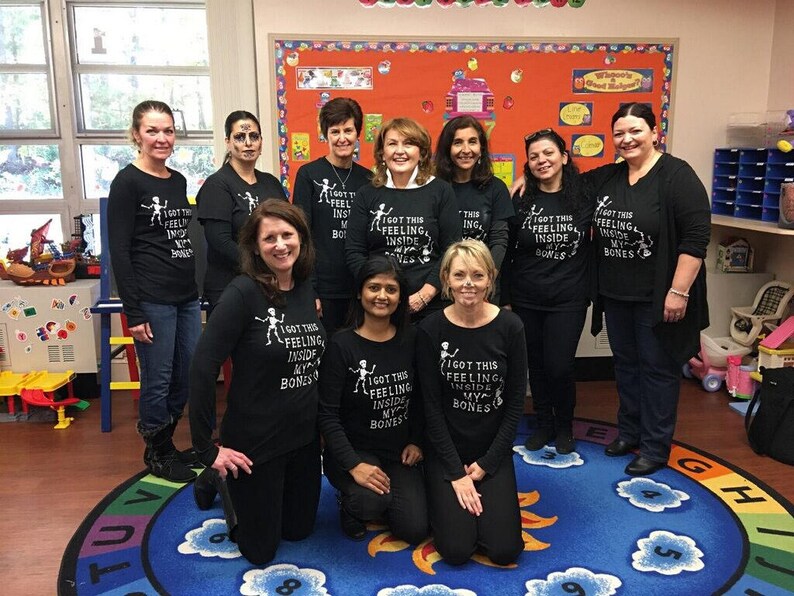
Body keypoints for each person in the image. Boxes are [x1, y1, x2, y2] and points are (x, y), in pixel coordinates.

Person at [189, 199, 326, 564]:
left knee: (299, 532)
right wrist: (206, 448)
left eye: (287, 234)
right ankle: (217, 478)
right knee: (260, 551)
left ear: (302, 239)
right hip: (254, 445)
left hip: (303, 440)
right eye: (269, 238)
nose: (280, 245)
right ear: (254, 246)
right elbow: (203, 366)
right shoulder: (242, 293)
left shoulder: (305, 287)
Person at [591, 102, 710, 476]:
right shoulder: (609, 177)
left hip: (659, 297)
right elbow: (565, 182)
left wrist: (678, 292)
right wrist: (523, 180)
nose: (627, 139)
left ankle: (656, 447)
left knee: (658, 369)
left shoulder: (676, 176)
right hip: (616, 294)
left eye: (635, 131)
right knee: (626, 366)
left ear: (654, 132)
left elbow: (696, 238)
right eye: (619, 134)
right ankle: (629, 433)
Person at [417, 239, 527, 566]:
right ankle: (439, 493)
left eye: (478, 275)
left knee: (506, 549)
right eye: (459, 275)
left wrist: (489, 462)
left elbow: (515, 402)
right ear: (446, 279)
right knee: (456, 550)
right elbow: (431, 409)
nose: (468, 283)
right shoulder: (430, 329)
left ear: (490, 280)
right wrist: (456, 472)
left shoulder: (510, 327)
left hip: (490, 451)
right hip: (445, 449)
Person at [108, 99, 201, 483]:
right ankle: (158, 449)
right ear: (136, 135)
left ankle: (165, 442)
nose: (161, 138)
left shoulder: (177, 180)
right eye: (152, 131)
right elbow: (120, 250)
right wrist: (135, 311)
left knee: (189, 373)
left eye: (168, 131)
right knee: (158, 378)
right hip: (152, 298)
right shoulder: (127, 182)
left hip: (186, 296)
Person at [318, 256, 428, 543]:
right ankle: (350, 503)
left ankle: (389, 497)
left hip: (397, 452)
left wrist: (416, 439)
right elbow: (327, 415)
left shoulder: (412, 339)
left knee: (414, 529)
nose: (382, 296)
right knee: (370, 504)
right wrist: (354, 464)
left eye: (391, 289)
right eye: (373, 287)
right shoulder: (341, 345)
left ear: (401, 297)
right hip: (354, 451)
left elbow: (421, 397)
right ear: (359, 292)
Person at [502, 128, 593, 454]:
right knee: (536, 365)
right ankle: (544, 423)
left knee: (560, 366)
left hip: (569, 298)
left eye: (549, 153)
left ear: (564, 157)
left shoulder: (585, 195)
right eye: (534, 156)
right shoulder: (520, 198)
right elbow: (507, 251)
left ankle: (565, 424)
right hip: (527, 297)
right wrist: (506, 298)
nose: (542, 160)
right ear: (528, 163)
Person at [346, 117, 462, 320]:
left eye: (408, 143)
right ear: (382, 153)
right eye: (392, 144)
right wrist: (377, 293)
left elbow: (451, 249)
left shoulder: (441, 191)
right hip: (379, 305)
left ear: (422, 153)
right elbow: (354, 251)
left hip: (431, 306)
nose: (400, 151)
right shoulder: (367, 194)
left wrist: (424, 295)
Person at [293, 98, 372, 336]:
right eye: (334, 131)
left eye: (348, 130)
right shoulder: (308, 175)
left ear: (358, 133)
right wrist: (310, 289)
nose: (342, 138)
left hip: (359, 288)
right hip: (323, 289)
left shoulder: (369, 180)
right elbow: (302, 235)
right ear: (325, 135)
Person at [196, 110, 286, 309]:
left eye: (254, 136)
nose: (248, 143)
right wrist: (262, 261)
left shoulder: (270, 183)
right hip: (229, 285)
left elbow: (287, 226)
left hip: (269, 283)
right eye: (240, 137)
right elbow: (219, 241)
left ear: (261, 142)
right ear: (228, 142)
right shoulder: (217, 185)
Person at [433, 116, 514, 282]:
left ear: (481, 147)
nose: (466, 149)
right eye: (457, 142)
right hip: (442, 283)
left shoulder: (496, 188)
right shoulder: (434, 188)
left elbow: (499, 242)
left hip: (483, 281)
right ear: (447, 148)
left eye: (472, 141)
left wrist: (485, 281)